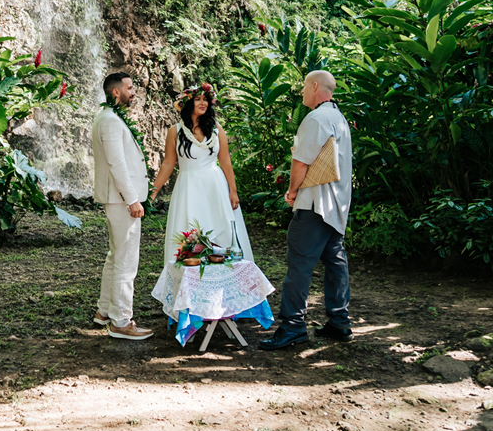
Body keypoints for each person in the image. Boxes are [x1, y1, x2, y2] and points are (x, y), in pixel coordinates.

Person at [260, 69, 354, 350]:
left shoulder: (316, 118)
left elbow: (301, 162)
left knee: (299, 264)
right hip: (336, 205)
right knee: (336, 262)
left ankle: (292, 326)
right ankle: (339, 321)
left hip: (315, 204)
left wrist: (291, 192)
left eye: (303, 86)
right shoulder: (338, 117)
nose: (301, 91)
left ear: (315, 86)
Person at [150, 83, 253, 267]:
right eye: (197, 99)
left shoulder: (216, 129)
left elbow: (226, 161)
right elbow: (168, 163)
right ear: (188, 104)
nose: (203, 103)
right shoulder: (176, 131)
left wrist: (233, 190)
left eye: (205, 99)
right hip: (188, 186)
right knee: (189, 231)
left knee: (221, 231)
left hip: (215, 186)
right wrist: (153, 192)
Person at [91, 71, 154, 341]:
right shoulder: (110, 121)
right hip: (120, 200)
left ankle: (104, 311)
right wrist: (133, 200)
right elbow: (118, 165)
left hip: (116, 199)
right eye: (129, 87)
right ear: (116, 92)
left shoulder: (106, 118)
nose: (133, 91)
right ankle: (121, 320)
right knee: (126, 261)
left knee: (115, 256)